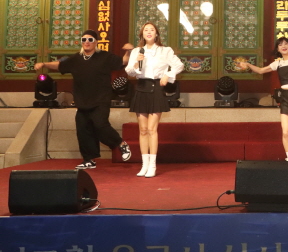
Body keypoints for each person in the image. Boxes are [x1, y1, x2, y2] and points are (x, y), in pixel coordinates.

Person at [34, 30, 134, 170]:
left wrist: (129, 52)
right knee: (83, 130)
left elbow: (123, 61)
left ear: (96, 42)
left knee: (100, 125)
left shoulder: (104, 57)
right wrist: (44, 64)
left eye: (90, 39)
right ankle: (89, 160)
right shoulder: (76, 59)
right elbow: (60, 65)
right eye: (84, 39)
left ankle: (120, 143)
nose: (87, 42)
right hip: (82, 101)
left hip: (100, 99)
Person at [125, 22, 184, 178]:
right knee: (143, 130)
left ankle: (152, 165)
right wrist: (136, 62)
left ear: (156, 34)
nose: (149, 32)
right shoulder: (137, 51)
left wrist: (168, 75)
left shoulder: (165, 50)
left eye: (152, 30)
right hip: (141, 87)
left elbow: (179, 65)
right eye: (146, 30)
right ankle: (144, 165)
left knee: (152, 129)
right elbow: (129, 71)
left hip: (156, 88)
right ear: (142, 34)